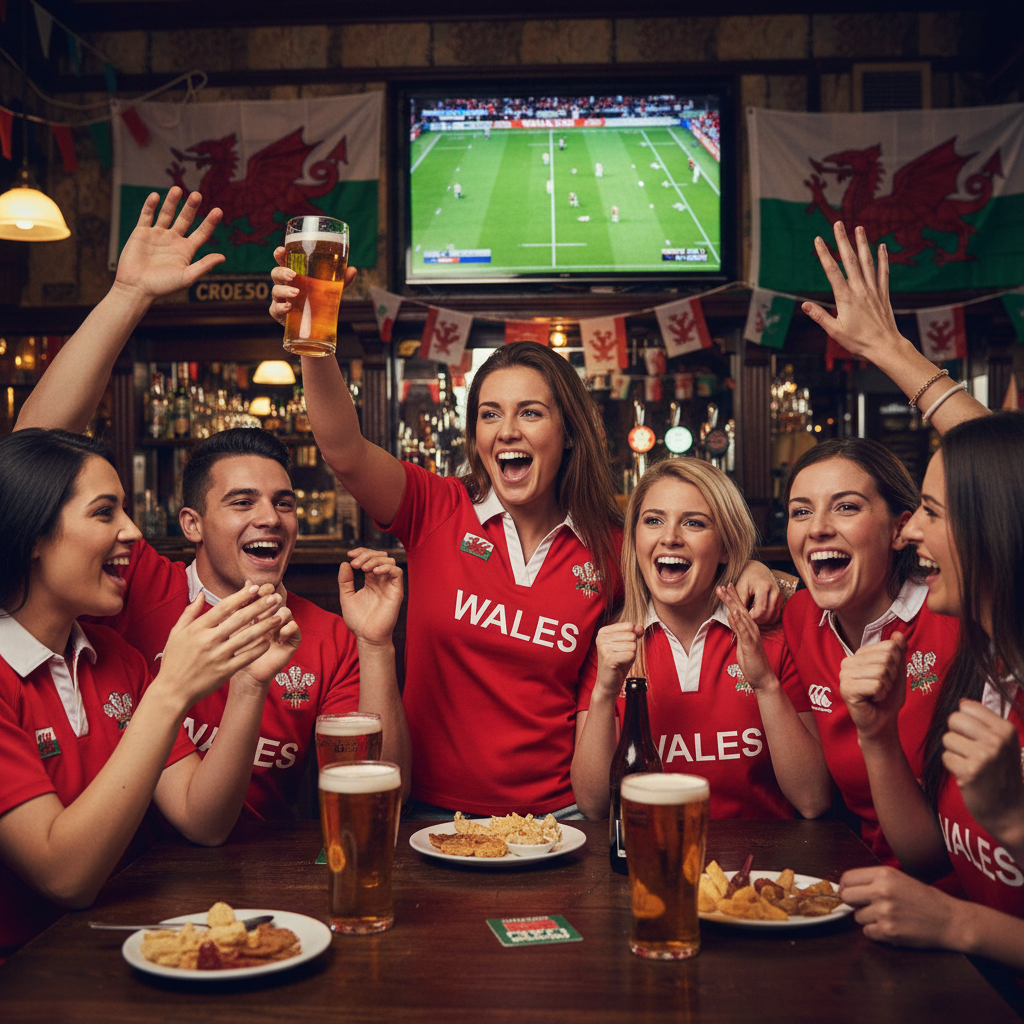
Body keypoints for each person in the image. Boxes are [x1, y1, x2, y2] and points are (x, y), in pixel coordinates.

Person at [267, 265, 787, 816]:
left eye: (530, 413)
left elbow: (690, 561)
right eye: (490, 414)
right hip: (431, 813)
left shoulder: (611, 543)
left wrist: (754, 571)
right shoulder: (435, 508)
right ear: (476, 436)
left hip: (558, 817)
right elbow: (344, 450)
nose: (507, 430)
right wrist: (313, 341)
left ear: (567, 433)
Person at [15, 188, 411, 813]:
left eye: (283, 503)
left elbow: (383, 782)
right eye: (243, 501)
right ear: (191, 523)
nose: (269, 519)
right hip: (140, 873)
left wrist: (377, 648)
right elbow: (29, 459)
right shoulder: (135, 587)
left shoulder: (331, 636)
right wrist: (129, 296)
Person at [799, 221, 1023, 977]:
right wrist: (876, 732)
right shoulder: (990, 668)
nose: (911, 532)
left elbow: (1002, 477)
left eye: (928, 512)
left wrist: (962, 922)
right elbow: (928, 849)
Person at [0, 429, 298, 954]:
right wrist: (170, 692)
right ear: (33, 538)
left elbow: (201, 819)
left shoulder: (115, 658)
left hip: (122, 949)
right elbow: (64, 876)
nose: (133, 532)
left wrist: (251, 683)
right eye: (104, 512)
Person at [573, 457, 831, 821]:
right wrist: (603, 693)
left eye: (693, 523)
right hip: (651, 860)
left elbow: (813, 800)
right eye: (653, 521)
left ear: (725, 547)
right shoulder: (612, 646)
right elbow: (594, 805)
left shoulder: (770, 635)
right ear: (635, 539)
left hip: (762, 868)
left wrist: (765, 685)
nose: (670, 537)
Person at [782, 436, 958, 865]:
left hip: (973, 887)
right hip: (869, 879)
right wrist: (753, 569)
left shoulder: (956, 616)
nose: (817, 527)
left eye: (846, 506)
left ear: (901, 529)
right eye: (801, 512)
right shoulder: (799, 614)